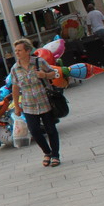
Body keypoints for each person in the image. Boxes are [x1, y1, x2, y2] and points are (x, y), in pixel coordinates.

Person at [10, 38, 63, 168]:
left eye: (19, 50)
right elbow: (15, 88)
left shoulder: (39, 62)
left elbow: (54, 74)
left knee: (51, 130)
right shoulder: (15, 69)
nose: (17, 53)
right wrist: (17, 106)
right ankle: (47, 152)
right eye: (16, 51)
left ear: (28, 51)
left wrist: (44, 75)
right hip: (28, 105)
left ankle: (55, 155)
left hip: (44, 102)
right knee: (34, 131)